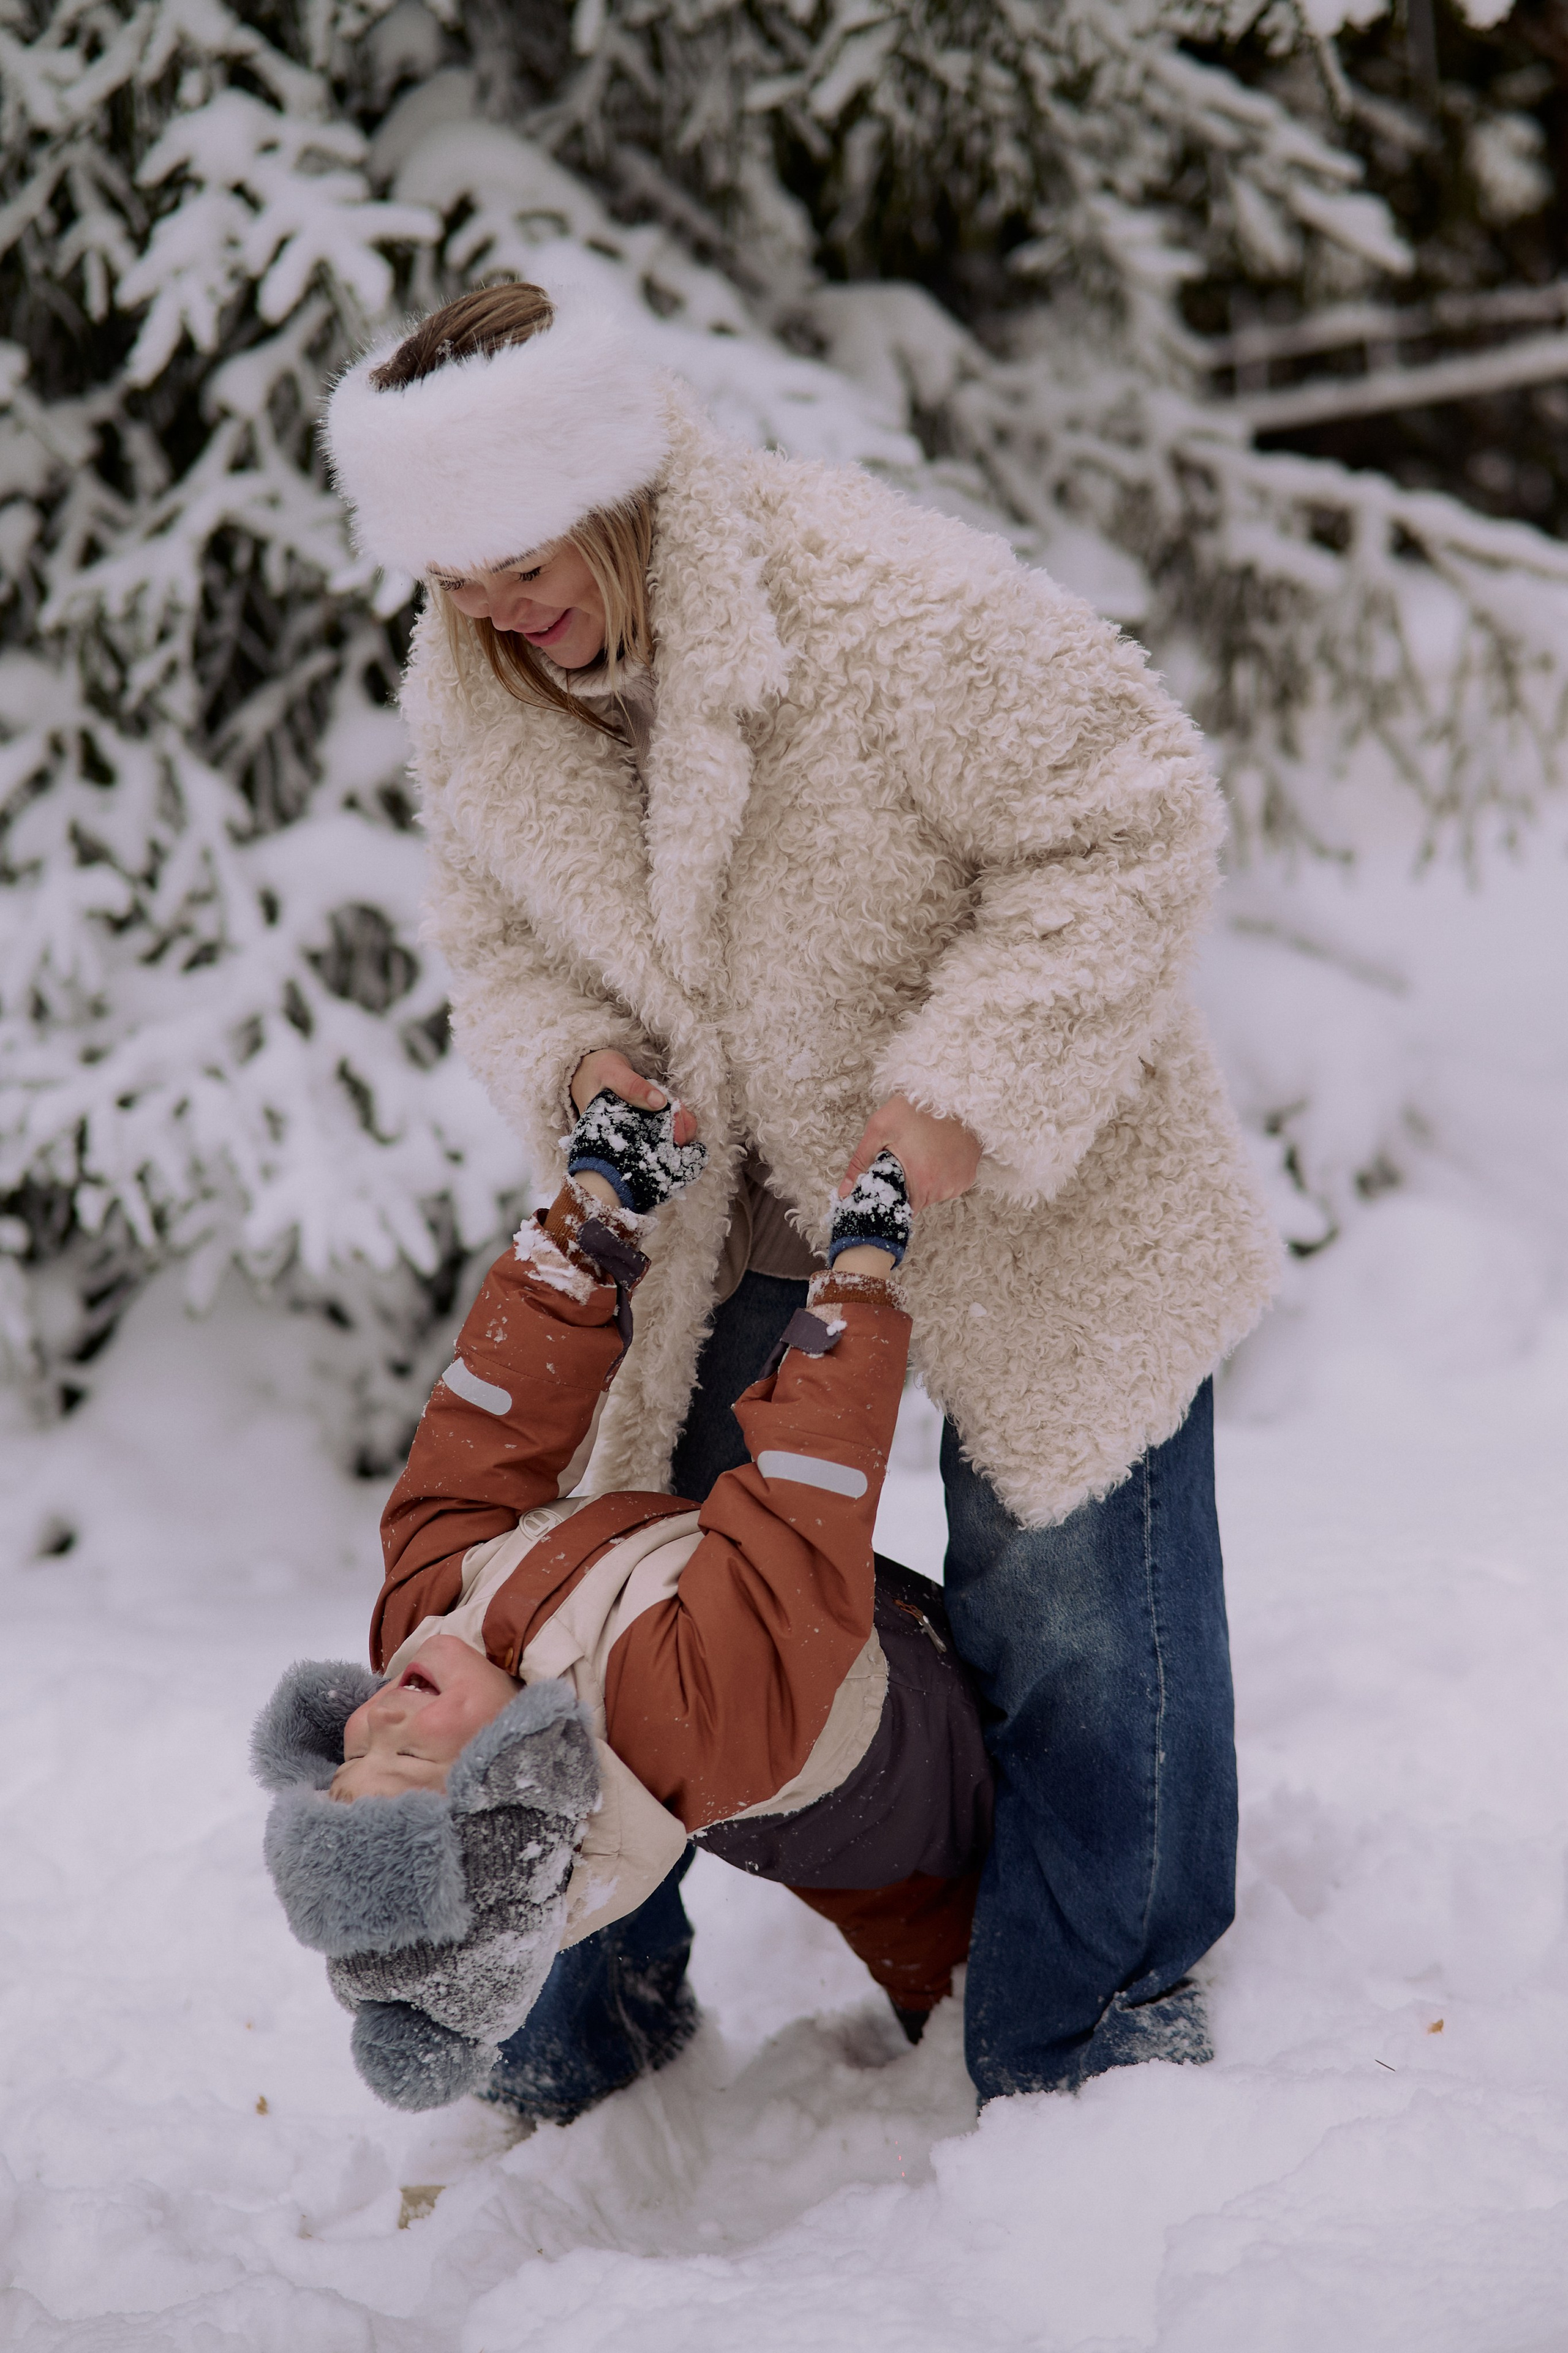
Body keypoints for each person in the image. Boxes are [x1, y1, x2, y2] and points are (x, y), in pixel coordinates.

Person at [322, 276, 1281, 2106]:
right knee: (597, 1587)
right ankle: (582, 2010)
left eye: (528, 552)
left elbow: (1137, 808)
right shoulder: (477, 684)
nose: (500, 605)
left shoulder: (879, 604)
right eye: (452, 575)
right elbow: (496, 943)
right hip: (722, 1209)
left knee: (1069, 1595)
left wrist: (959, 1100)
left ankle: (1096, 2021)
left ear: (616, 485)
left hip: (1019, 1155)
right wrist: (575, 1066)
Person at [253, 1105, 991, 2112]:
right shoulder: (677, 1716)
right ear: (519, 1783)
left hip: (791, 1636)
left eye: (351, 1761)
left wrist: (590, 1218)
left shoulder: (426, 1624)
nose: (378, 1716)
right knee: (940, 1912)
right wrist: (856, 1268)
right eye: (415, 1758)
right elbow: (801, 1493)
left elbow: (487, 1424)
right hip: (882, 1766)